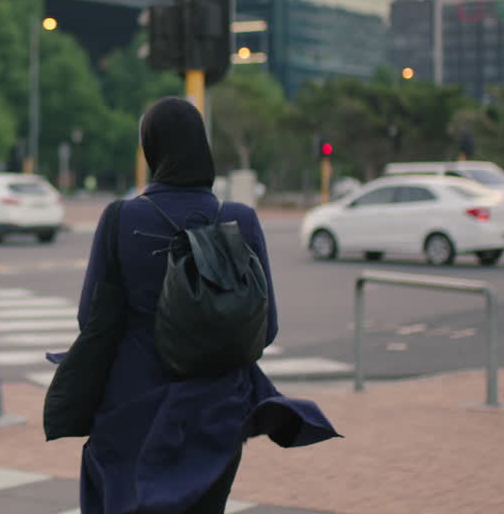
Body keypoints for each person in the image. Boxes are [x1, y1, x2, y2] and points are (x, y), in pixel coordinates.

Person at [67, 97, 338, 513]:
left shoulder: (119, 218)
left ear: (151, 149)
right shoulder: (240, 219)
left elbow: (91, 319)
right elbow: (267, 329)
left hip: (129, 408)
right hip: (215, 414)